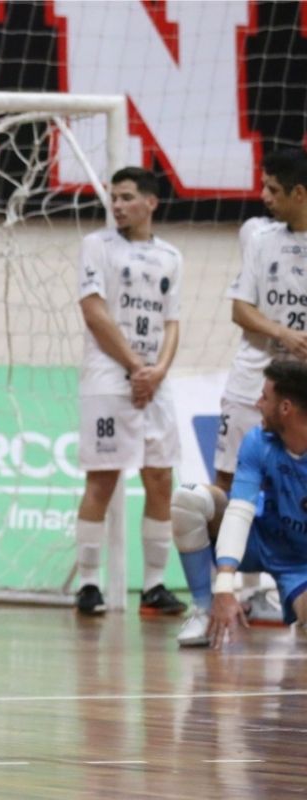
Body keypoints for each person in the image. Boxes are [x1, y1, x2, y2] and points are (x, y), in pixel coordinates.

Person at [72, 166, 187, 616]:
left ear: (150, 202)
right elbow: (92, 309)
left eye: (125, 197)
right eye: (113, 198)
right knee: (102, 478)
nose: (116, 205)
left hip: (154, 379)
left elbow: (173, 320)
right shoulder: (96, 245)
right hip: (108, 375)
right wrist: (137, 366)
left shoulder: (171, 256)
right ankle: (87, 585)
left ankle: (155, 585)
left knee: (160, 476)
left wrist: (157, 370)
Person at [213, 149, 307, 623]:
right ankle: (231, 591)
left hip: (304, 384)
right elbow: (239, 309)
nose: (264, 197)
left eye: (273, 189)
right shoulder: (259, 236)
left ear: (299, 194)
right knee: (228, 481)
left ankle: (290, 584)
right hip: (256, 374)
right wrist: (283, 333)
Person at [173, 360, 307, 648]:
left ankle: (275, 600)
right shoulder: (258, 441)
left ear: (285, 407)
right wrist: (224, 586)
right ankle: (203, 608)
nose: (257, 404)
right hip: (258, 537)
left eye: (264, 397)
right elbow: (239, 510)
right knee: (188, 500)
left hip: (301, 564)